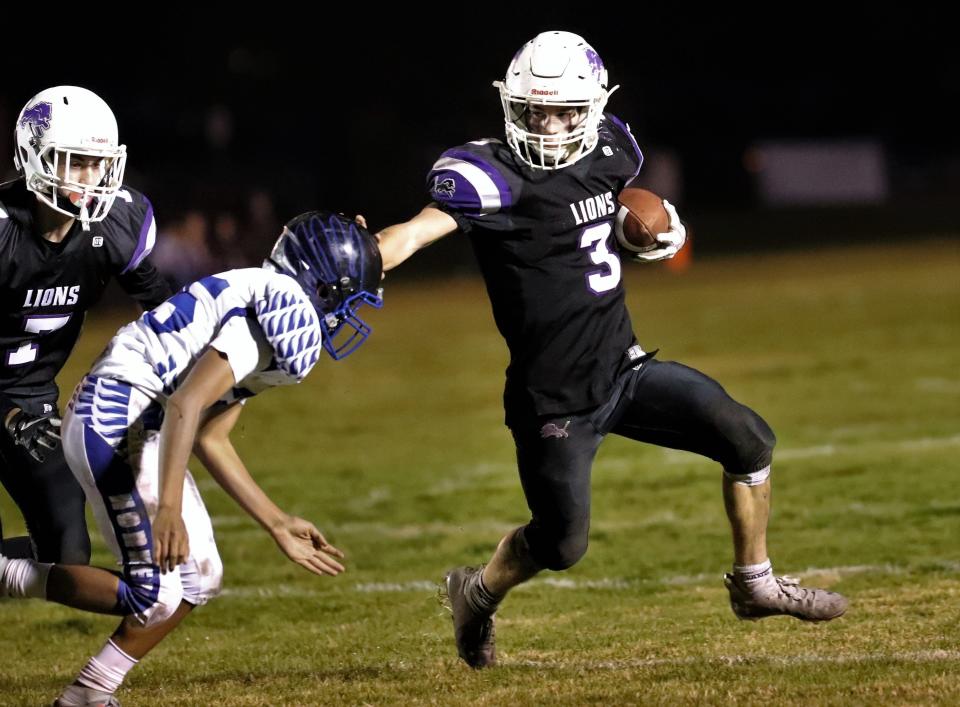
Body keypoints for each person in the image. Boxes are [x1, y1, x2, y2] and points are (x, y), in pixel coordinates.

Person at [375, 30, 848, 669]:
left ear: (591, 108)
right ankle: (477, 592)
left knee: (748, 437)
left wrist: (648, 235)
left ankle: (754, 582)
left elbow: (608, 227)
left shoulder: (610, 151)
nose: (548, 124)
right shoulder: (492, 176)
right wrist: (367, 255)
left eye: (564, 110)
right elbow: (413, 233)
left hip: (624, 369)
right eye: (535, 109)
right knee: (563, 544)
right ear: (512, 106)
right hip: (554, 401)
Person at [0, 211, 383, 706]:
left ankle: (90, 693)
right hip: (118, 419)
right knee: (153, 592)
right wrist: (168, 510)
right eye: (349, 300)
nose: (347, 315)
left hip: (140, 422)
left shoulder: (265, 300)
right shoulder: (278, 310)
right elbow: (186, 403)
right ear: (324, 286)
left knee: (200, 577)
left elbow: (212, 437)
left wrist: (276, 522)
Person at [1, 85, 172, 565]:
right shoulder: (3, 233)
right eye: (75, 162)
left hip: (30, 401)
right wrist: (7, 417)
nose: (90, 178)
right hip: (15, 409)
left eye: (98, 163)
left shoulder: (115, 225)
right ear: (32, 157)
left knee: (66, 559)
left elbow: (163, 308)